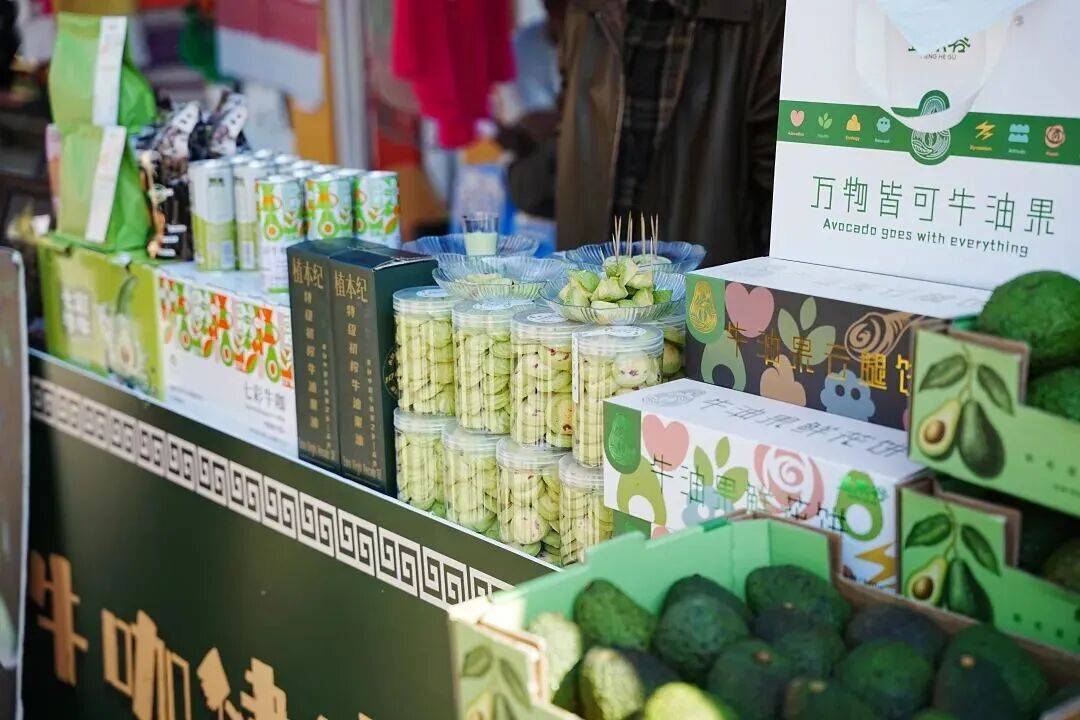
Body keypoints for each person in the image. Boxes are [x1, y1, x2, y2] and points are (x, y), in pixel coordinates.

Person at [555, 0, 785, 266]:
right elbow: (570, 133)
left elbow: (778, 183)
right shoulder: (587, 9)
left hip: (703, 280)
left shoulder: (760, 16)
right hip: (589, 278)